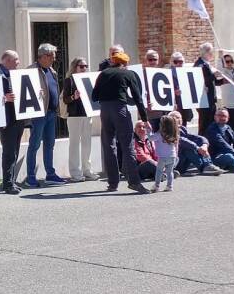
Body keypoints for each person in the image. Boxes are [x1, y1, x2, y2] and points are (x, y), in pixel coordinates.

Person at [92, 49, 149, 193]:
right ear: (124, 63)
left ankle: (113, 183)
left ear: (113, 62)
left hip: (104, 110)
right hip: (120, 110)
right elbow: (137, 97)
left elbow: (94, 96)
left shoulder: (103, 74)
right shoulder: (128, 74)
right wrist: (144, 118)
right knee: (127, 145)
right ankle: (134, 182)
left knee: (109, 146)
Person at [25, 43, 67, 188]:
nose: (53, 59)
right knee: (34, 145)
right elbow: (24, 89)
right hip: (39, 114)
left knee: (49, 145)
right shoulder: (31, 70)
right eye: (52, 56)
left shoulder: (52, 71)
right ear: (43, 56)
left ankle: (50, 174)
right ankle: (30, 176)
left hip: (51, 113)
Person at [0, 50, 26, 195]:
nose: (18, 62)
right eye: (16, 60)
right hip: (6, 120)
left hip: (18, 118)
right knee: (9, 152)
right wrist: (4, 99)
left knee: (15, 151)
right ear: (7, 60)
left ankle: (11, 180)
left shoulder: (17, 74)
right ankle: (7, 184)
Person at [62, 57, 99, 182]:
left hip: (87, 114)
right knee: (74, 144)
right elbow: (65, 99)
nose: (84, 68)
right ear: (75, 67)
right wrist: (74, 96)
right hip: (74, 115)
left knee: (87, 144)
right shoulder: (69, 81)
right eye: (81, 66)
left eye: (85, 66)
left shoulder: (89, 80)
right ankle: (75, 172)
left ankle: (87, 170)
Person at [171, 111, 224, 175]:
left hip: (182, 162)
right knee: (189, 148)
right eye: (175, 118)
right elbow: (182, 140)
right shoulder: (169, 131)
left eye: (180, 118)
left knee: (199, 144)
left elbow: (198, 137)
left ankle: (208, 165)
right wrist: (197, 148)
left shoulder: (182, 129)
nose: (179, 120)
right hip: (174, 163)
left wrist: (204, 145)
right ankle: (204, 167)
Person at [195, 42, 227, 135]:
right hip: (204, 100)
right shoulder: (199, 65)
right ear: (206, 52)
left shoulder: (207, 64)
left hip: (211, 99)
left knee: (211, 123)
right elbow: (201, 81)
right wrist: (214, 75)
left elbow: (211, 82)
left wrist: (221, 82)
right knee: (204, 124)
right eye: (211, 52)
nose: (212, 54)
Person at [151, 115, 180, 192]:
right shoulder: (175, 134)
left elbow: (151, 138)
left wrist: (148, 131)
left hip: (162, 157)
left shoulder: (159, 134)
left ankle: (156, 185)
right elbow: (176, 147)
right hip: (172, 156)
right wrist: (176, 155)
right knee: (170, 172)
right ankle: (169, 186)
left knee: (159, 171)